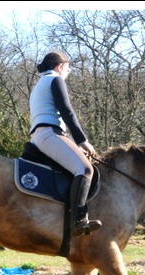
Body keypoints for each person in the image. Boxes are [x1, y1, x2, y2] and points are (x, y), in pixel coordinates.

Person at [29, 51, 102, 237]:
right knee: (86, 170)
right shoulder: (55, 79)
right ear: (59, 66)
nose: (68, 73)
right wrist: (82, 141)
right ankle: (78, 221)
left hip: (41, 134)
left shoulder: (40, 83)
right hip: (50, 133)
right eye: (68, 69)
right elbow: (68, 112)